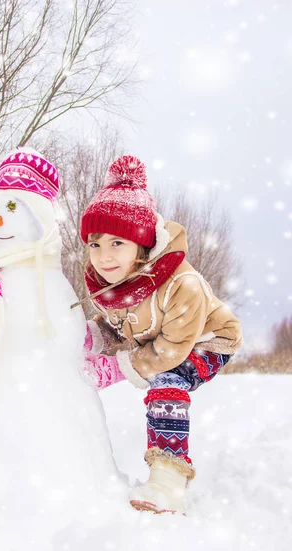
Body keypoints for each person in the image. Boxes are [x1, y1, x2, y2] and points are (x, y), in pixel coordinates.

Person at [77, 155, 242, 515]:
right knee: (158, 369)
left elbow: (170, 350)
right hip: (161, 340)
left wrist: (118, 368)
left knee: (168, 380)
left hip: (208, 339)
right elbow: (119, 326)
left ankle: (168, 482)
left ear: (141, 243)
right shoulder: (110, 283)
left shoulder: (182, 284)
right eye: (95, 243)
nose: (104, 256)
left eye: (117, 243)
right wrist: (88, 336)